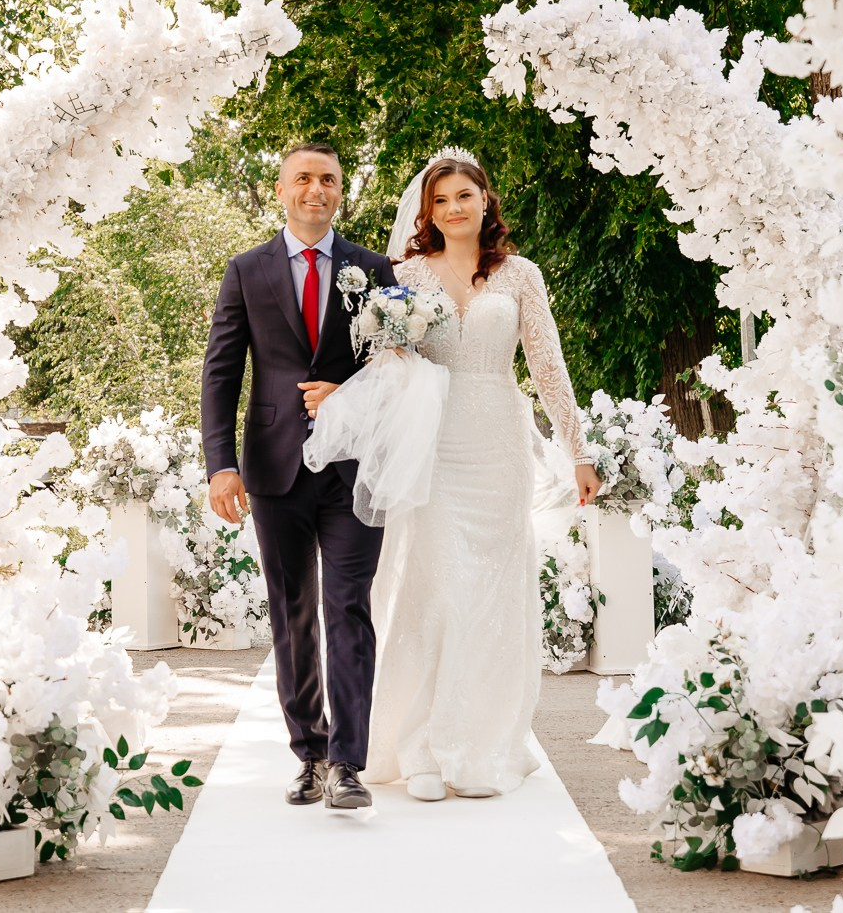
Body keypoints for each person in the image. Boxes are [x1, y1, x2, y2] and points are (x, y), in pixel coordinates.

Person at [361, 150, 600, 801]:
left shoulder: (520, 275)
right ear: (428, 211)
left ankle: (480, 738)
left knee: (492, 593)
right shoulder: (406, 273)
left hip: (499, 441)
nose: (454, 207)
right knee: (439, 584)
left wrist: (578, 450)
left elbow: (548, 368)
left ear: (485, 200)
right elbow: (387, 361)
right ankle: (422, 746)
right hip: (435, 444)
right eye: (441, 200)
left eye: (465, 195)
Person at [200, 141, 399, 811]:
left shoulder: (376, 271)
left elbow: (400, 367)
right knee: (292, 614)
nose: (317, 189)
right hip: (275, 468)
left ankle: (348, 763)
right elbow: (222, 373)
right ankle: (309, 754)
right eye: (304, 178)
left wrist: (346, 395)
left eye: (329, 179)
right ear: (281, 189)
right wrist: (220, 463)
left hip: (354, 470)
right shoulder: (246, 271)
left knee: (348, 608)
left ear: (341, 190)